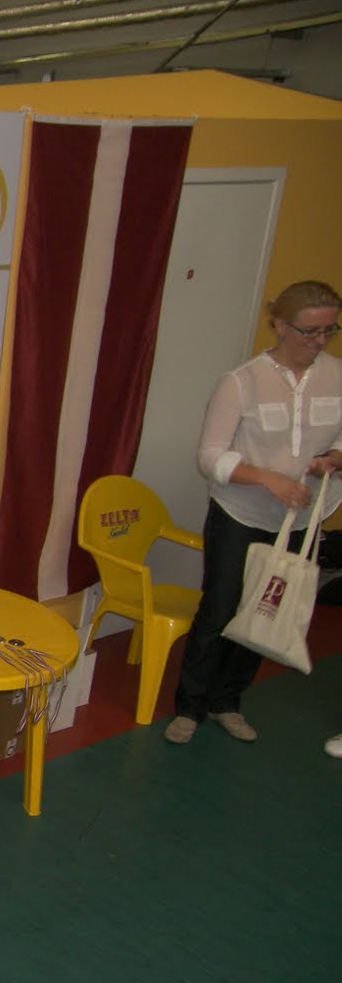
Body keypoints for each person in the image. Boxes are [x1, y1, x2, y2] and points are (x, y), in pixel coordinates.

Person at [166, 280, 342, 746]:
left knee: (265, 612)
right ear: (279, 325)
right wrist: (266, 478)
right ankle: (189, 707)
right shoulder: (241, 381)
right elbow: (210, 457)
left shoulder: (338, 375)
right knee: (220, 610)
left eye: (329, 330)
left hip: (300, 519)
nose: (320, 341)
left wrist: (333, 458)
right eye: (309, 331)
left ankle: (227, 702)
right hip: (239, 515)